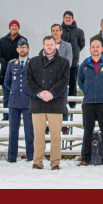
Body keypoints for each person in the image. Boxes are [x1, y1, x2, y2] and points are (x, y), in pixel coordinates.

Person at [26, 36, 70, 170]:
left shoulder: (64, 62)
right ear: (43, 45)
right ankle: (37, 162)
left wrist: (51, 93)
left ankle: (55, 162)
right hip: (37, 103)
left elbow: (64, 80)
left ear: (56, 45)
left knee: (55, 136)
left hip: (55, 103)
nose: (49, 46)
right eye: (47, 44)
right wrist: (40, 93)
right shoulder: (33, 62)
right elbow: (29, 80)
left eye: (52, 44)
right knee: (38, 136)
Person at [77, 39, 103, 166]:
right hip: (88, 103)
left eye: (97, 47)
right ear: (90, 49)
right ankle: (85, 157)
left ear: (101, 49)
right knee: (87, 131)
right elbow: (81, 82)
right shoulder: (84, 65)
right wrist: (88, 92)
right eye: (93, 47)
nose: (95, 49)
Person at [2, 38, 33, 163]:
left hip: (28, 101)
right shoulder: (11, 64)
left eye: (24, 47)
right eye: (20, 47)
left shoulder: (32, 63)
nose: (22, 49)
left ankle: (31, 156)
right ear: (17, 49)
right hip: (14, 101)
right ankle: (11, 156)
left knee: (29, 131)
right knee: (13, 131)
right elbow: (7, 82)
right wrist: (15, 91)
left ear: (28, 49)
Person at [0, 20, 23, 120]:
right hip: (5, 71)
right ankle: (6, 116)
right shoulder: (3, 40)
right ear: (9, 28)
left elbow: (24, 53)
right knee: (6, 96)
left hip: (18, 71)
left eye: (16, 26)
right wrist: (7, 65)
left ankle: (17, 116)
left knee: (18, 95)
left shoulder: (22, 40)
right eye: (12, 26)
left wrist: (15, 65)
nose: (14, 27)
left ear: (18, 28)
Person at [61, 11, 86, 117]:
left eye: (69, 17)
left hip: (74, 63)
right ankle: (62, 102)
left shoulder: (79, 31)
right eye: (66, 17)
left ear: (73, 19)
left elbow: (82, 44)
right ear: (63, 19)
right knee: (61, 84)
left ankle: (72, 103)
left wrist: (74, 53)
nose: (68, 19)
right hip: (60, 63)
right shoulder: (60, 30)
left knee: (72, 84)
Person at [52, 23, 75, 133]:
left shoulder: (67, 46)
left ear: (61, 32)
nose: (55, 32)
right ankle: (48, 126)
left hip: (62, 79)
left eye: (57, 30)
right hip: (49, 80)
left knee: (63, 103)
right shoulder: (48, 44)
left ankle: (64, 126)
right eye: (53, 30)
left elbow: (68, 62)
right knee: (49, 104)